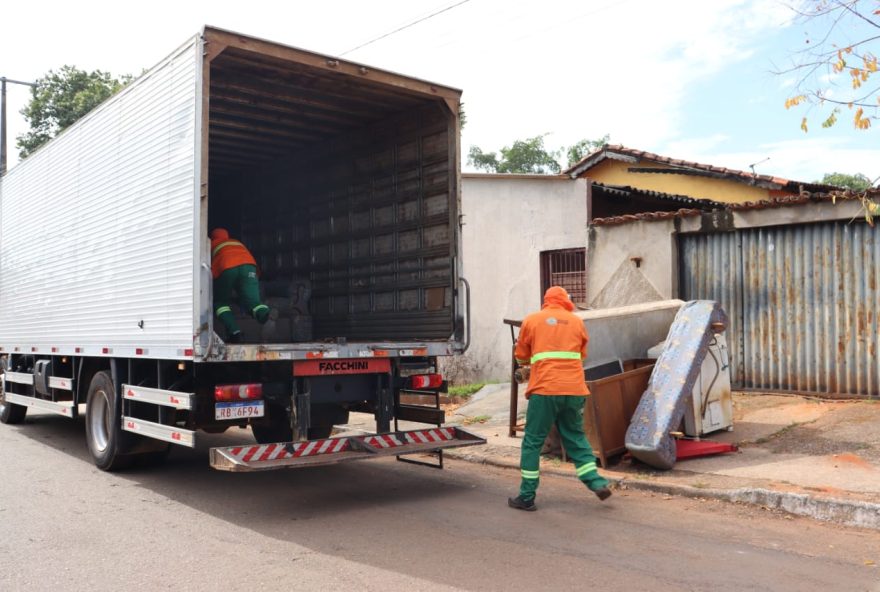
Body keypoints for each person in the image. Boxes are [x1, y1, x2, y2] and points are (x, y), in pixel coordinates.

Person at [508, 286, 611, 511]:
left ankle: (526, 496)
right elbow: (582, 354)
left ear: (546, 301)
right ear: (566, 301)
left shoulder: (532, 320)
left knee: (533, 441)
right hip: (574, 389)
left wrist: (532, 360)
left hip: (545, 389)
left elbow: (521, 354)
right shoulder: (576, 322)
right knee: (575, 437)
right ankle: (596, 482)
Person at [210, 228, 271, 343]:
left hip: (227, 267)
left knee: (221, 304)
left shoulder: (211, 244)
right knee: (253, 302)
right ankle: (263, 313)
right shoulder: (235, 242)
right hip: (249, 266)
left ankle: (234, 331)